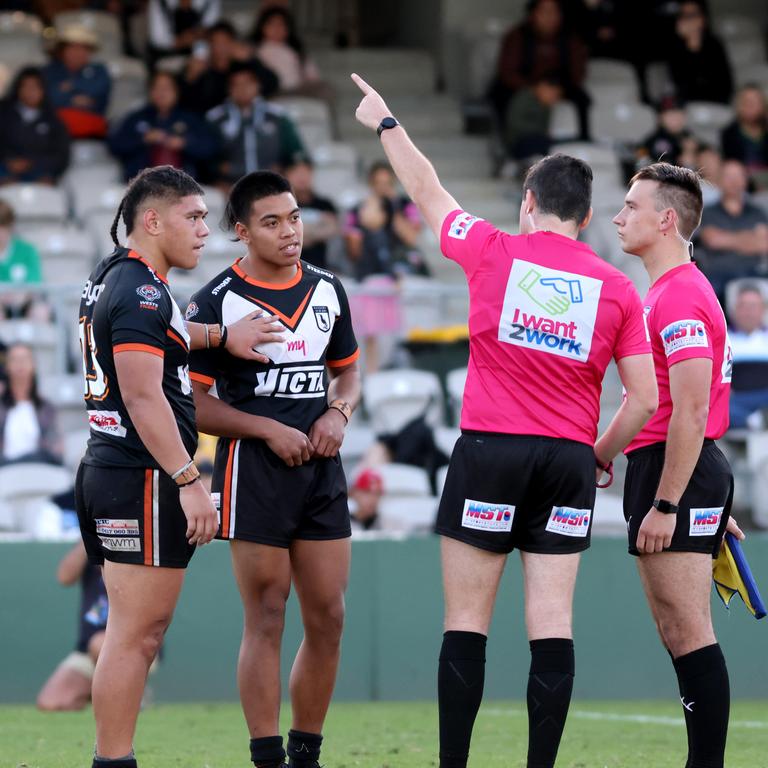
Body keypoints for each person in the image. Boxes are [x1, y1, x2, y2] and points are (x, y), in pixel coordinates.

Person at [351, 73, 657, 768]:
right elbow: (641, 399)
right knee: (551, 625)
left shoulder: (493, 249)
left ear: (528, 204)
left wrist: (387, 121)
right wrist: (599, 453)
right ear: (583, 216)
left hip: (491, 450)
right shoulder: (616, 288)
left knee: (467, 623)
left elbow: (427, 189)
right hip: (568, 461)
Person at [74, 164, 285, 768]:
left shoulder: (114, 275)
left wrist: (217, 335)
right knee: (137, 637)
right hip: (142, 474)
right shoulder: (142, 289)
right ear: (152, 220)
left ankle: (112, 758)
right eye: (192, 217)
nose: (204, 230)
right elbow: (143, 395)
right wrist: (191, 481)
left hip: (110, 468)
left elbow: (157, 335)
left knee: (131, 634)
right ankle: (113, 761)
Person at [187, 170, 361, 768]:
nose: (290, 231)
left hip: (321, 471)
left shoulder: (328, 289)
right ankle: (266, 757)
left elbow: (349, 372)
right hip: (251, 472)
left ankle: (306, 753)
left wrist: (338, 412)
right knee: (266, 613)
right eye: (272, 222)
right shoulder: (215, 302)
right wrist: (267, 429)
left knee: (330, 616)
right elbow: (196, 403)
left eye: (294, 217)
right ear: (241, 232)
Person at [611, 161, 744, 768]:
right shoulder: (666, 291)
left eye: (631, 206)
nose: (618, 216)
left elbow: (691, 413)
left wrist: (670, 501)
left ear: (667, 220)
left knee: (688, 631)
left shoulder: (681, 293)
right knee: (677, 629)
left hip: (676, 470)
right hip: (675, 468)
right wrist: (602, 456)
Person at [488, 0, 590, 156]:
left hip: (560, 88)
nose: (549, 17)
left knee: (583, 99)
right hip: (523, 87)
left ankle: (582, 143)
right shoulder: (517, 36)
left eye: (554, 12)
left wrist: (558, 90)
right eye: (544, 12)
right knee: (500, 94)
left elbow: (577, 73)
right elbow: (507, 73)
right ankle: (513, 148)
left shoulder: (570, 38)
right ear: (533, 14)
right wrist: (536, 89)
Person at [205, 62, 305, 189]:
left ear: (258, 85)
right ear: (229, 89)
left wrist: (286, 170)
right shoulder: (215, 118)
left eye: (247, 83)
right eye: (236, 84)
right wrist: (218, 175)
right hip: (230, 187)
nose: (242, 89)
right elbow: (205, 158)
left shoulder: (277, 116)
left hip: (271, 186)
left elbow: (296, 153)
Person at [108, 70, 219, 182]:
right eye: (156, 88)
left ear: (177, 92)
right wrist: (143, 139)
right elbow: (115, 145)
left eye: (166, 88)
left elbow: (210, 148)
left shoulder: (190, 119)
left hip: (183, 186)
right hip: (142, 185)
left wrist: (184, 143)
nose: (161, 93)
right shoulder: (137, 117)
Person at [37, 541, 108, 711]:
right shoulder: (90, 548)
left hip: (132, 646)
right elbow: (64, 577)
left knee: (100, 644)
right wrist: (88, 536)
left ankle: (134, 694)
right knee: (50, 702)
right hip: (86, 651)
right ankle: (99, 693)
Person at [697, 159, 768, 302]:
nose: (734, 182)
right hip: (719, 273)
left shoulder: (757, 212)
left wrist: (728, 239)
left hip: (754, 271)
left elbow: (764, 244)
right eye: (728, 177)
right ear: (719, 181)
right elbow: (713, 241)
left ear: (745, 180)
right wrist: (750, 238)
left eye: (738, 176)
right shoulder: (708, 212)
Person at [179, 20, 278, 115]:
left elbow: (272, 85)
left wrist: (252, 60)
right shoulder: (199, 69)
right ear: (209, 45)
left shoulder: (243, 67)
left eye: (225, 42)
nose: (221, 47)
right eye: (216, 42)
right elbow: (184, 102)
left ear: (234, 43)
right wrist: (189, 78)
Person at [0, 66, 70, 185]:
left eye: (35, 87)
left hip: (39, 172)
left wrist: (32, 162)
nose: (30, 91)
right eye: (25, 86)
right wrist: (8, 161)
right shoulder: (3, 113)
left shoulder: (53, 120)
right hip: (5, 169)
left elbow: (61, 156)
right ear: (18, 89)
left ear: (43, 90)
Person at [42, 24, 112, 139]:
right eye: (73, 47)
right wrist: (73, 98)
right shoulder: (49, 71)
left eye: (83, 48)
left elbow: (99, 93)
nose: (77, 52)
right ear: (62, 50)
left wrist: (70, 87)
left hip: (91, 132)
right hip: (54, 131)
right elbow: (48, 98)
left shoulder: (99, 71)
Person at [249, 7, 330, 102]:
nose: (277, 29)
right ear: (262, 27)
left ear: (288, 29)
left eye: (281, 25)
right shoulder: (256, 50)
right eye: (272, 24)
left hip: (299, 89)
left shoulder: (295, 50)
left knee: (326, 89)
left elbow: (312, 75)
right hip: (275, 91)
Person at [0, 342, 61, 465]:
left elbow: (56, 448)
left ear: (33, 365)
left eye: (24, 359)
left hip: (39, 468)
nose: (20, 364)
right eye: (15, 359)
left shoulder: (46, 408)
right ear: (7, 367)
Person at [666, 0, 732, 106]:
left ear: (702, 19)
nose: (688, 20)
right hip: (689, 106)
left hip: (717, 102)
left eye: (692, 15)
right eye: (684, 15)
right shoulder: (675, 49)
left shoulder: (714, 45)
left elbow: (723, 83)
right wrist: (689, 45)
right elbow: (680, 85)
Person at [283, 156, 339, 271]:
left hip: (320, 267)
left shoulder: (325, 204)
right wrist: (317, 228)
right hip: (288, 267)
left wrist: (299, 234)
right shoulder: (281, 205)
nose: (302, 177)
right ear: (287, 175)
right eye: (296, 172)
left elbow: (332, 229)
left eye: (305, 172)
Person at [727, 282, 768, 429]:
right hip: (737, 399)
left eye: (753, 306)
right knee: (721, 409)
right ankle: (755, 420)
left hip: (765, 396)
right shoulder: (724, 339)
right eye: (743, 306)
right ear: (734, 310)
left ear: (763, 309)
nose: (748, 312)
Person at [0, 199, 47, 319]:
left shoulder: (27, 250)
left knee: (41, 311)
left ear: (10, 226)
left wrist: (21, 296)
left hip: (25, 303)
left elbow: (35, 282)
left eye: (3, 226)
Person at [721, 84, 768, 191]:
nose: (750, 105)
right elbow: (731, 166)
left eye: (755, 102)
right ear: (738, 105)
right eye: (746, 101)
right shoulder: (728, 134)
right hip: (743, 187)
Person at [147, 0, 220, 65]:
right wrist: (181, 41)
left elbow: (212, 32)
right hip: (167, 56)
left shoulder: (209, 2)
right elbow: (157, 39)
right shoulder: (159, 2)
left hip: (200, 56)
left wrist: (198, 56)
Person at [637, 96, 697, 169]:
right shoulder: (652, 141)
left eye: (678, 113)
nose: (675, 119)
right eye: (670, 115)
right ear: (660, 117)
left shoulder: (689, 136)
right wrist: (687, 152)